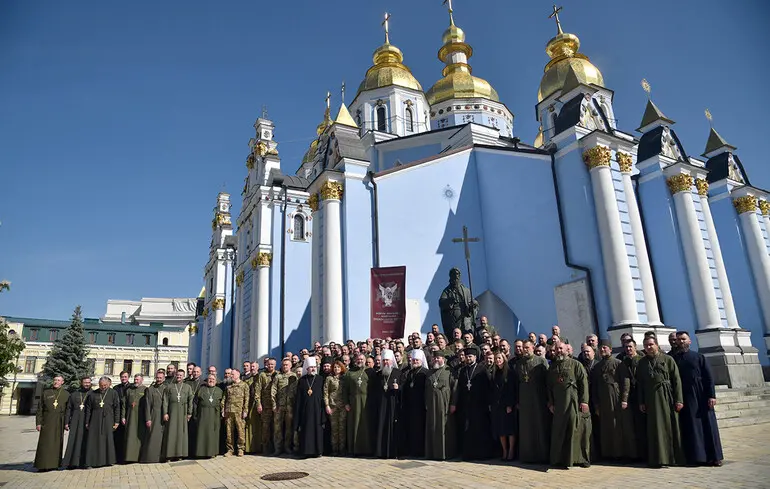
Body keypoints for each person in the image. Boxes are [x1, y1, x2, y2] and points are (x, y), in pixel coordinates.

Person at [673, 331, 723, 467]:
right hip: (686, 396)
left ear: (689, 341)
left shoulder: (699, 357)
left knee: (708, 426)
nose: (681, 341)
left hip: (701, 395)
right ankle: (696, 457)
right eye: (678, 340)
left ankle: (714, 457)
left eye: (683, 339)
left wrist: (711, 395)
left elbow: (708, 377)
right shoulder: (674, 359)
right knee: (692, 427)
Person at [637, 336, 684, 468]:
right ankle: (657, 458)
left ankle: (673, 458)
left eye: (651, 344)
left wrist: (679, 399)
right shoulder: (642, 363)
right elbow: (640, 384)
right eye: (646, 345)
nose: (648, 347)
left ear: (656, 345)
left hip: (666, 397)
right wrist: (641, 401)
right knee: (654, 429)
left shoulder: (668, 359)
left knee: (670, 427)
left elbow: (676, 380)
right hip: (651, 399)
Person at [547, 342, 591, 468]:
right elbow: (549, 387)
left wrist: (584, 401)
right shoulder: (552, 367)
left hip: (573, 402)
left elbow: (583, 383)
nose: (559, 350)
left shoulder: (576, 364)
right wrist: (550, 403)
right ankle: (559, 459)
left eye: (561, 348)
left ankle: (578, 458)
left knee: (575, 429)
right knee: (559, 432)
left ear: (567, 349)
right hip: (558, 405)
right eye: (557, 349)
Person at [590, 340, 629, 462]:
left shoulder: (618, 363)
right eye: (601, 348)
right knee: (606, 427)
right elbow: (594, 386)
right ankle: (609, 453)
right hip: (603, 400)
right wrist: (596, 404)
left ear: (610, 349)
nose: (602, 350)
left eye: (605, 348)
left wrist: (624, 399)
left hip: (616, 398)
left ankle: (621, 453)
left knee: (618, 426)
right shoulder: (597, 366)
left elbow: (625, 382)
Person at [451, 344, 492, 461]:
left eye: (471, 357)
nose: (469, 358)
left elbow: (487, 387)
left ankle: (481, 454)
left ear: (475, 357)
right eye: (467, 356)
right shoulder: (463, 370)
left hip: (480, 405)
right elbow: (459, 387)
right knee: (467, 429)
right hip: (466, 404)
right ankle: (468, 454)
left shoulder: (482, 369)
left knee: (480, 429)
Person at [513, 340, 550, 464]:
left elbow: (547, 382)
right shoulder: (519, 363)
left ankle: (542, 455)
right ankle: (528, 455)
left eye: (527, 347)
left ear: (533, 347)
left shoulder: (541, 361)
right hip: (524, 400)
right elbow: (517, 383)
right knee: (527, 428)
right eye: (524, 348)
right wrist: (517, 400)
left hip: (539, 399)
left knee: (539, 426)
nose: (525, 350)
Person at [424, 352, 456, 460]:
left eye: (438, 358)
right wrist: (426, 403)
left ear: (443, 359)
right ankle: (432, 453)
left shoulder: (449, 371)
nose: (436, 360)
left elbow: (455, 388)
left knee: (444, 428)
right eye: (434, 358)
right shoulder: (429, 372)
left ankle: (445, 453)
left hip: (444, 404)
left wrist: (453, 403)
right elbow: (426, 389)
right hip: (432, 405)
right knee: (432, 427)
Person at [34, 374, 69, 471]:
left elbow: (68, 411)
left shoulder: (66, 394)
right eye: (55, 380)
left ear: (62, 382)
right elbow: (40, 409)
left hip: (59, 422)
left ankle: (55, 464)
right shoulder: (46, 393)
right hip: (47, 421)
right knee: (45, 444)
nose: (56, 382)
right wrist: (38, 423)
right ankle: (42, 465)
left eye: (58, 380)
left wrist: (66, 423)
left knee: (57, 443)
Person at [342, 353, 374, 456]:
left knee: (365, 425)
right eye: (358, 359)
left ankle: (367, 449)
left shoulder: (370, 371)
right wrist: (346, 403)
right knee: (354, 424)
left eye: (362, 359)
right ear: (355, 360)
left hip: (366, 402)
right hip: (353, 402)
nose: (360, 361)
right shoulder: (349, 373)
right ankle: (354, 449)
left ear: (365, 360)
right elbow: (344, 389)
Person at [84, 376, 120, 468]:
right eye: (101, 385)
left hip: (108, 419)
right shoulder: (93, 394)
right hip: (95, 419)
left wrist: (116, 421)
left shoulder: (113, 393)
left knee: (107, 440)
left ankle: (107, 460)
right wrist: (87, 421)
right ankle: (91, 462)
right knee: (94, 441)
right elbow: (88, 409)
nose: (103, 387)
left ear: (109, 384)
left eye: (105, 385)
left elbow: (117, 408)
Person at [293, 357, 325, 458]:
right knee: (306, 430)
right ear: (306, 368)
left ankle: (317, 451)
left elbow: (323, 395)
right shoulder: (302, 380)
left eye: (314, 367)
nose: (313, 369)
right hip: (305, 410)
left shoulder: (320, 379)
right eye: (311, 367)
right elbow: (299, 397)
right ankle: (305, 451)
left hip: (317, 409)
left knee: (317, 430)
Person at [399, 349, 428, 458]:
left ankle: (420, 451)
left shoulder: (425, 372)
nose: (415, 361)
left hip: (420, 406)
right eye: (413, 360)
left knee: (420, 429)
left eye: (417, 360)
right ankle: (412, 450)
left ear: (421, 360)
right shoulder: (409, 373)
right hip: (410, 406)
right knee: (411, 429)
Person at [620, 339, 644, 460]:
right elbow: (625, 381)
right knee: (633, 426)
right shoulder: (624, 362)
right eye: (626, 347)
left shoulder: (641, 360)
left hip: (642, 396)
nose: (628, 349)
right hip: (631, 398)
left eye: (630, 346)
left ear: (635, 347)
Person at [375, 349, 401, 458]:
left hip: (392, 403)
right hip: (381, 404)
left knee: (392, 426)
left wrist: (398, 388)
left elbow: (403, 388)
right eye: (384, 360)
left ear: (392, 361)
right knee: (381, 425)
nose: (386, 362)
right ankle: (381, 452)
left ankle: (392, 452)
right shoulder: (379, 374)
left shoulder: (398, 373)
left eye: (388, 360)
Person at [162, 370, 194, 461]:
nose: (179, 376)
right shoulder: (169, 387)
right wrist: (165, 413)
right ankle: (169, 454)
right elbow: (165, 401)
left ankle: (180, 454)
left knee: (181, 433)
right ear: (175, 375)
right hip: (172, 412)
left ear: (184, 376)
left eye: (181, 375)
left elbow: (190, 400)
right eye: (178, 375)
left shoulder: (187, 387)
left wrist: (189, 413)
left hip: (183, 412)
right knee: (171, 433)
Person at [490, 351, 516, 461]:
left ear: (504, 359)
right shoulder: (495, 373)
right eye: (496, 359)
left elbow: (512, 390)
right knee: (500, 429)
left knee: (509, 429)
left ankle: (511, 451)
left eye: (499, 358)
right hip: (498, 405)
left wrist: (510, 404)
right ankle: (504, 450)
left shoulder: (510, 372)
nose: (497, 360)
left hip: (508, 405)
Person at [438, 267, 478, 336]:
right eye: (454, 275)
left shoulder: (466, 290)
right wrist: (449, 300)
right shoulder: (447, 291)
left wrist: (473, 305)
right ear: (451, 277)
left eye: (457, 274)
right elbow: (441, 302)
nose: (456, 276)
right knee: (455, 334)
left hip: (465, 317)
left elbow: (473, 302)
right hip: (453, 317)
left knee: (467, 334)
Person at [62, 375, 91, 469]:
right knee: (73, 440)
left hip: (87, 421)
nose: (87, 384)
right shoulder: (74, 394)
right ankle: (72, 462)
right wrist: (67, 422)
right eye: (85, 382)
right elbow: (69, 409)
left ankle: (85, 463)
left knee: (86, 441)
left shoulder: (93, 394)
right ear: (81, 383)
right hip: (75, 420)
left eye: (88, 382)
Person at [272, 358, 298, 455]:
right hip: (279, 406)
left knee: (289, 428)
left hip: (290, 406)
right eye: (283, 365)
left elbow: (296, 392)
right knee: (277, 428)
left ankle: (287, 447)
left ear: (290, 366)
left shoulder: (294, 377)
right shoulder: (278, 377)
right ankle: (277, 448)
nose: (285, 366)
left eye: (287, 365)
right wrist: (274, 404)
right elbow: (273, 391)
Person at [194, 374, 223, 458]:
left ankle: (212, 452)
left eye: (213, 379)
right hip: (203, 414)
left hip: (215, 415)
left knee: (213, 434)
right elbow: (196, 402)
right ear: (207, 380)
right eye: (209, 379)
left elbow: (223, 403)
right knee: (202, 433)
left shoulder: (219, 390)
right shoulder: (201, 389)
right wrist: (195, 414)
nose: (211, 380)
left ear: (216, 381)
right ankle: (201, 452)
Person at [222, 368, 248, 457]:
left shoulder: (244, 385)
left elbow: (247, 399)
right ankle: (230, 450)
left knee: (240, 431)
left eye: (233, 374)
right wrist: (223, 409)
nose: (231, 376)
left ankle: (241, 449)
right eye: (231, 374)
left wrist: (245, 410)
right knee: (229, 432)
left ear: (238, 375)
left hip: (239, 412)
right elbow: (224, 399)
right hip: (229, 411)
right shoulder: (228, 386)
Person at [141, 370, 166, 463]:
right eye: (157, 378)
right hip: (154, 414)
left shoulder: (166, 388)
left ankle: (162, 457)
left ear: (163, 379)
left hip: (164, 414)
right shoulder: (150, 389)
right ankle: (151, 457)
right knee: (153, 436)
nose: (159, 379)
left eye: (160, 378)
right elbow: (147, 405)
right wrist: (148, 418)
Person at [122, 374, 147, 463]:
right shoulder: (129, 390)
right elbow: (124, 404)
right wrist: (123, 417)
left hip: (140, 417)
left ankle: (139, 457)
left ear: (142, 380)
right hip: (130, 416)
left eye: (138, 380)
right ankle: (129, 457)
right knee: (130, 436)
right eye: (135, 379)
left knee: (139, 436)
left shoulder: (145, 390)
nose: (136, 381)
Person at [324, 360, 347, 456]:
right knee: (334, 429)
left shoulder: (345, 378)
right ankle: (335, 449)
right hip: (333, 406)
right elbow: (325, 393)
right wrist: (327, 405)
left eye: (338, 367)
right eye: (335, 367)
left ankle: (342, 449)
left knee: (342, 428)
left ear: (341, 368)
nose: (336, 369)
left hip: (342, 406)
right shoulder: (329, 378)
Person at [255, 357, 278, 454]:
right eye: (269, 364)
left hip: (276, 405)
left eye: (272, 364)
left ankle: (276, 448)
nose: (270, 366)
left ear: (275, 365)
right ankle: (266, 448)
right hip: (265, 406)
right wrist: (258, 404)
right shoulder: (262, 375)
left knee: (276, 427)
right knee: (266, 428)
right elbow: (257, 390)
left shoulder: (278, 374)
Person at [113, 371, 131, 464]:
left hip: (128, 414)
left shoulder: (131, 387)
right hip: (118, 413)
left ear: (128, 377)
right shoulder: (116, 388)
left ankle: (126, 457)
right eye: (122, 377)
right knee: (118, 437)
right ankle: (117, 457)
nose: (123, 378)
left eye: (125, 377)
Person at [244, 361, 261, 454]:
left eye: (254, 366)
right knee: (250, 424)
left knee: (259, 426)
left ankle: (259, 447)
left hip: (260, 403)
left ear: (257, 368)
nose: (252, 368)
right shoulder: (248, 379)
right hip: (250, 403)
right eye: (251, 367)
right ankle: (250, 447)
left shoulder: (261, 376)